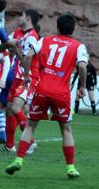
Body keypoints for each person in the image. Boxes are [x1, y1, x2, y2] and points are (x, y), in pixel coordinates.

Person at [5, 13, 88, 179]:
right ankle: (70, 168)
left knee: (30, 126)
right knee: (66, 129)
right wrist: (82, 86)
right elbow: (82, 66)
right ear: (73, 29)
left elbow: (28, 55)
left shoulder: (44, 40)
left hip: (42, 90)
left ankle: (19, 159)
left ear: (57, 27)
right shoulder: (79, 46)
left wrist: (27, 76)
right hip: (61, 93)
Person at [1, 9, 41, 153]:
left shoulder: (32, 37)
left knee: (16, 108)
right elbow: (5, 43)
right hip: (17, 77)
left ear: (28, 18)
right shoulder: (19, 32)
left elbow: (25, 59)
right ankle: (10, 146)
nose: (19, 18)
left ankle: (31, 141)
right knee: (9, 111)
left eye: (22, 15)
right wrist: (8, 44)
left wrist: (13, 46)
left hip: (28, 77)